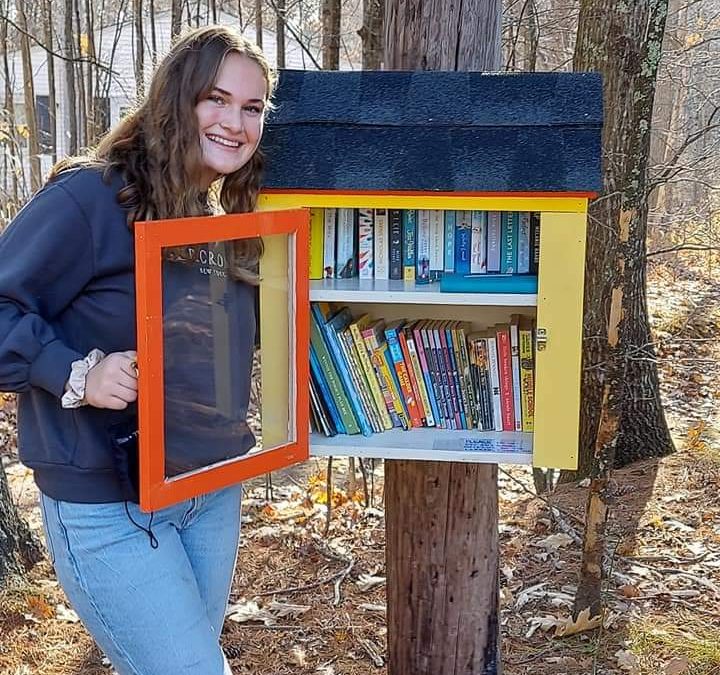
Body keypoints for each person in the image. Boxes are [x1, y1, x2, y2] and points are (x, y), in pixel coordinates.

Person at [0, 25, 276, 675]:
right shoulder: (88, 199)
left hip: (210, 489)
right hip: (108, 504)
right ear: (176, 99)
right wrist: (76, 370)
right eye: (217, 98)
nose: (235, 122)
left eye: (253, 107)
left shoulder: (223, 218)